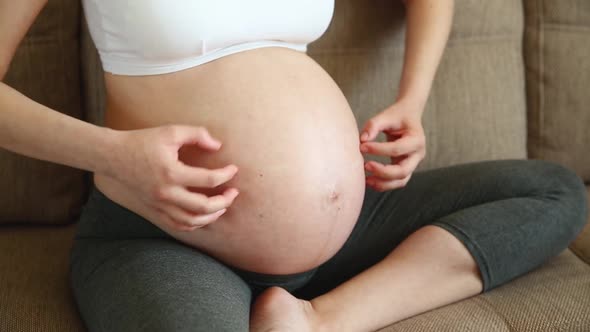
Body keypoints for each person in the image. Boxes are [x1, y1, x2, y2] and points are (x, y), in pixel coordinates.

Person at [0, 0, 587, 331]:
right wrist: (112, 153)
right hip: (166, 236)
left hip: (351, 225)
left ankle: (322, 320)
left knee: (553, 192)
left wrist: (414, 99)